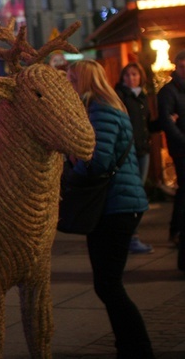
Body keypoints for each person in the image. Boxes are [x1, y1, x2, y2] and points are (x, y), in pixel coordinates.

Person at [66, 60, 154, 359]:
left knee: (109, 285)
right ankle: (129, 346)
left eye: (71, 77)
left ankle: (137, 348)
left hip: (116, 206)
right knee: (107, 284)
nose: (68, 81)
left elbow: (99, 162)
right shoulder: (109, 105)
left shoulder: (100, 108)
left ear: (84, 80)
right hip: (119, 204)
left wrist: (71, 171)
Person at [115, 62, 154, 254]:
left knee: (139, 195)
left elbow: (146, 124)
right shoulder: (121, 96)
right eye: (128, 75)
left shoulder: (142, 97)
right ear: (123, 78)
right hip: (128, 152)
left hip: (143, 150)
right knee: (132, 196)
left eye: (135, 74)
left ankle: (131, 236)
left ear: (140, 77)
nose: (131, 78)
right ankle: (131, 237)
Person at [157, 50, 185, 252]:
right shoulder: (169, 91)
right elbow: (167, 121)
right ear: (177, 67)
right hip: (181, 149)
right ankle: (176, 230)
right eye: (183, 67)